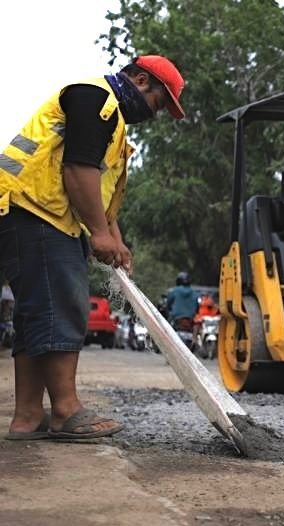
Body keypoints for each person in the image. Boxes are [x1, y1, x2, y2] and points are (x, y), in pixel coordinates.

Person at [0, 55, 185, 440]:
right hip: (37, 211)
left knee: (37, 312)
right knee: (63, 305)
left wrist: (114, 238)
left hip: (32, 212)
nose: (155, 113)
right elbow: (77, 171)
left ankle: (27, 417)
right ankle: (66, 411)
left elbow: (95, 193)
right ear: (140, 79)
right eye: (158, 103)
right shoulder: (95, 99)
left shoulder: (110, 121)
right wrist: (99, 235)